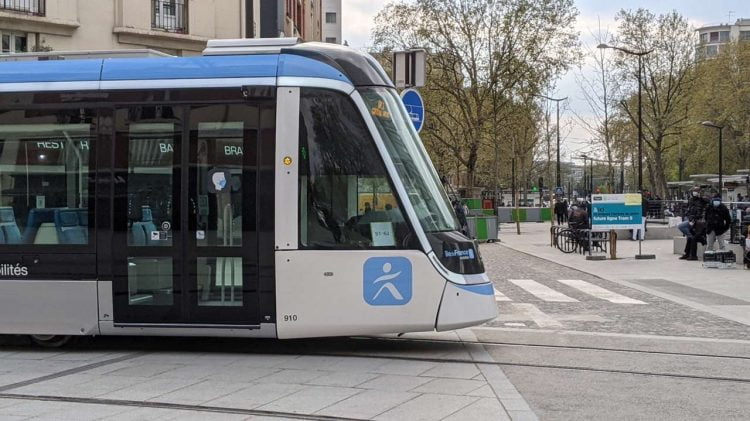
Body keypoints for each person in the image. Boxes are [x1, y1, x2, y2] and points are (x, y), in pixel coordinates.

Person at [678, 187, 709, 260]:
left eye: (696, 191)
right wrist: (689, 218)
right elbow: (688, 210)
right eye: (693, 191)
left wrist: (701, 197)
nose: (694, 192)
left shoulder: (702, 200)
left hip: (699, 222)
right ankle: (687, 253)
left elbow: (708, 202)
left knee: (692, 237)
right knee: (683, 228)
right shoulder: (691, 200)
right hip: (691, 220)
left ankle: (692, 255)